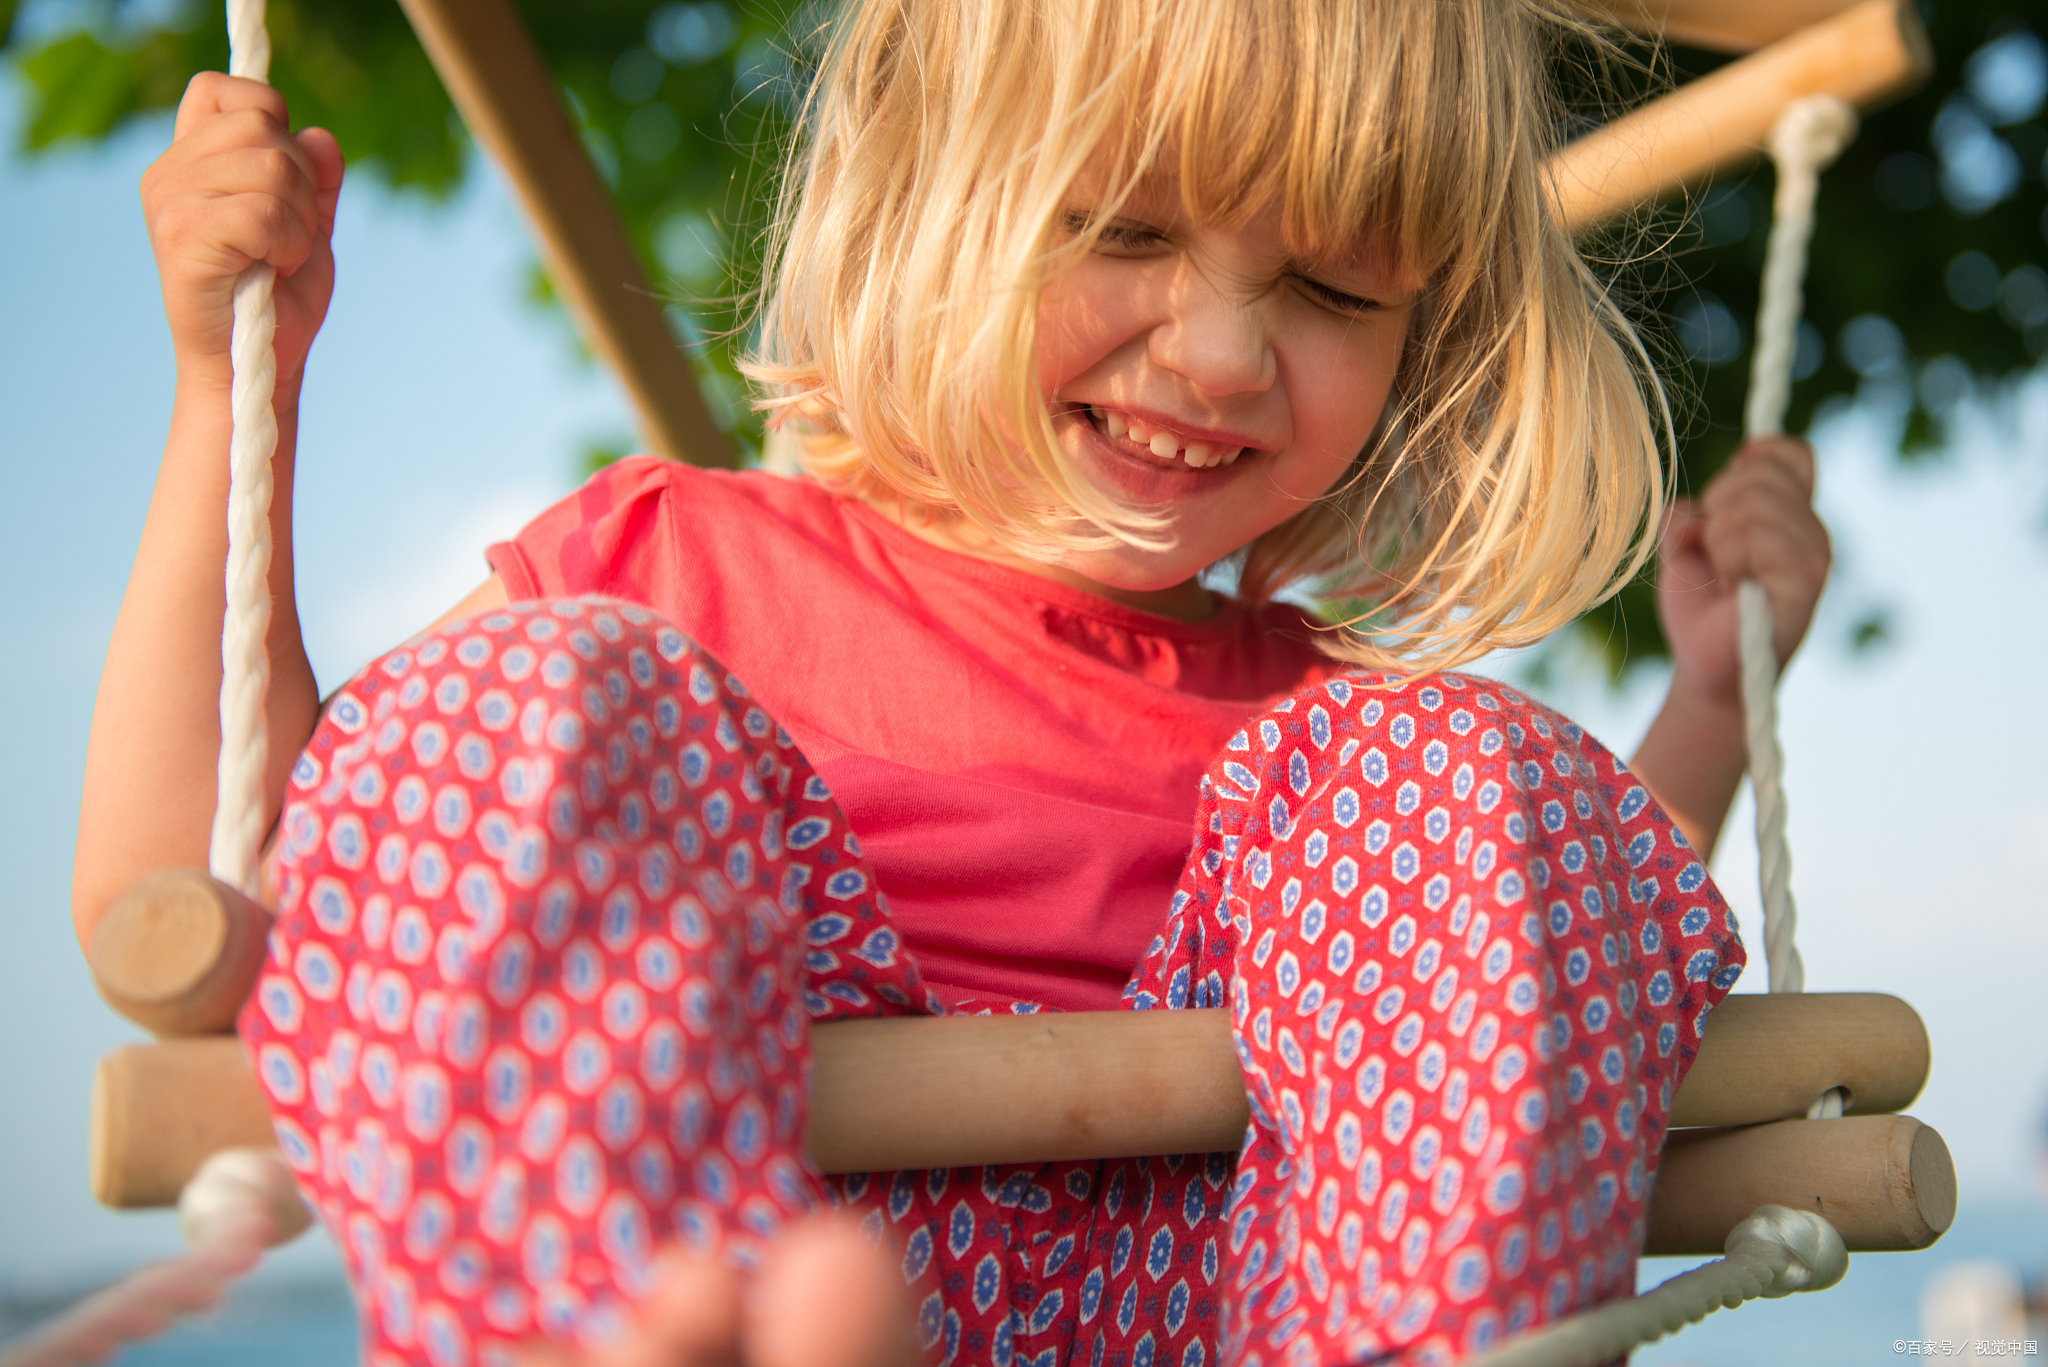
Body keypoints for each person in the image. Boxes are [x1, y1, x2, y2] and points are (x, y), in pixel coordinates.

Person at [75, 0, 1833, 1362]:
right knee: (535, 693)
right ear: (920, 183)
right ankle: (613, 1320)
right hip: (750, 1238)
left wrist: (1702, 701)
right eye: (1123, 231)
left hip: (1240, 1305)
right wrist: (238, 396)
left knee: (1468, 765)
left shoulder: (1334, 746)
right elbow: (216, 898)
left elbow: (1527, 1021)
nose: (1221, 355)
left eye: (1324, 288)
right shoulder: (678, 572)